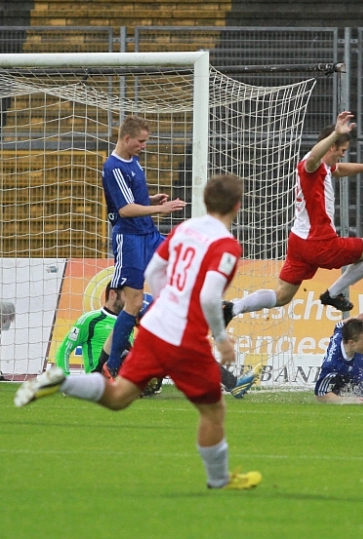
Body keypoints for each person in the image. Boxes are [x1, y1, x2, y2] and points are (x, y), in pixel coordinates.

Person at [15, 174, 262, 490]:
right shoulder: (227, 246)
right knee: (213, 411)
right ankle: (219, 480)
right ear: (238, 206)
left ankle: (63, 380)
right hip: (184, 336)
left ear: (204, 200)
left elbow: (154, 270)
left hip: (154, 324)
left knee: (119, 396)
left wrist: (166, 301)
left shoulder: (185, 229)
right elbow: (210, 296)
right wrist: (222, 338)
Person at [225, 110, 363, 323]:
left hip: (299, 241)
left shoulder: (322, 166)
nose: (343, 154)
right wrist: (336, 133)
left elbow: (338, 169)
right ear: (331, 146)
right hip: (320, 242)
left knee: (282, 296)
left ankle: (233, 308)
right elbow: (314, 158)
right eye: (342, 150)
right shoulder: (311, 165)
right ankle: (333, 294)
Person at [101, 115, 186, 377]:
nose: (144, 145)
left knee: (183, 262)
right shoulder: (114, 167)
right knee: (134, 303)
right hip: (130, 240)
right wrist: (161, 208)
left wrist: (151, 199)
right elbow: (125, 210)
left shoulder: (133, 161)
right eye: (140, 141)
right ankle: (111, 365)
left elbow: (131, 198)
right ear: (126, 138)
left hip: (148, 234)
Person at [62, 286, 260, 399]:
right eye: (126, 293)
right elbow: (64, 349)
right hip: (114, 370)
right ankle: (103, 375)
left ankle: (232, 384)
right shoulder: (94, 318)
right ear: (114, 294)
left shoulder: (136, 310)